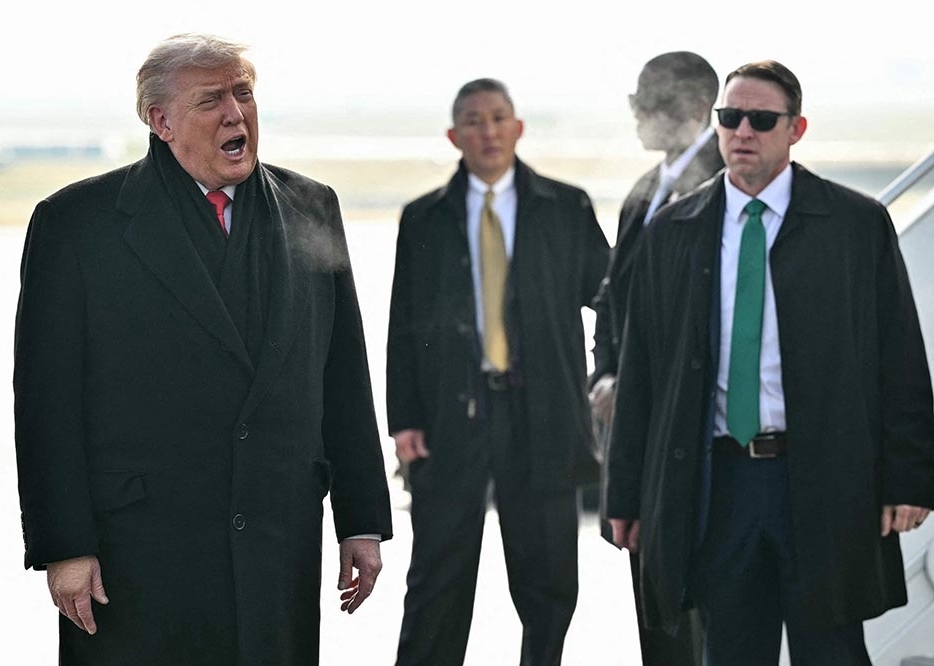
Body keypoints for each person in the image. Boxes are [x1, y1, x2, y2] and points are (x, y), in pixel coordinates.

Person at [13, 33, 393, 665]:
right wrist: (65, 546)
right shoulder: (76, 223)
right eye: (211, 99)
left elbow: (343, 373)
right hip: (139, 551)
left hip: (277, 541)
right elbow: (46, 402)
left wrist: (361, 520)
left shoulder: (312, 207)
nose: (235, 113)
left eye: (244, 93)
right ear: (160, 120)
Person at [604, 60, 934, 665]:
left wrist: (910, 479)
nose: (743, 132)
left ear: (795, 129)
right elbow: (643, 374)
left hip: (824, 482)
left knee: (831, 653)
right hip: (721, 484)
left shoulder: (855, 225)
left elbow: (899, 358)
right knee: (729, 653)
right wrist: (625, 495)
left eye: (761, 119)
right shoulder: (674, 231)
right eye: (730, 117)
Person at [386, 78, 610, 665]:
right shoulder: (424, 218)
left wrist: (605, 377)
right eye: (474, 121)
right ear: (454, 136)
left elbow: (611, 301)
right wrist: (404, 419)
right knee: (437, 582)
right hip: (452, 419)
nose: (487, 131)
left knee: (549, 586)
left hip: (544, 418)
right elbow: (403, 326)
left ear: (518, 128)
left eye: (498, 118)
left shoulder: (566, 207)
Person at [589, 50, 721, 666]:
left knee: (701, 616)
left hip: (696, 440)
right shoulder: (644, 192)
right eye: (635, 99)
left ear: (696, 107)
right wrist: (607, 374)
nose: (638, 113)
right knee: (655, 610)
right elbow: (612, 299)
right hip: (637, 434)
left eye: (650, 100)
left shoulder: (728, 185)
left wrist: (641, 384)